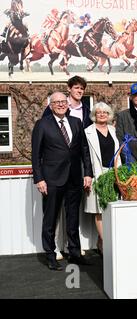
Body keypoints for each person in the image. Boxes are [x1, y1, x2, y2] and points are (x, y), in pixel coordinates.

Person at [32, 92, 93, 271]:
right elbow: (36, 155)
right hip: (51, 179)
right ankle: (50, 255)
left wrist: (87, 173)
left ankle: (74, 253)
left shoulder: (76, 122)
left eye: (63, 102)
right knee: (50, 218)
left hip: (74, 178)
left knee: (73, 218)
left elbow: (84, 149)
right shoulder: (42, 124)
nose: (60, 104)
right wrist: (39, 178)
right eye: (56, 102)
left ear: (67, 104)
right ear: (50, 105)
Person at [84, 102, 120, 256]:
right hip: (97, 173)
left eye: (105, 112)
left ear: (109, 115)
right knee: (99, 210)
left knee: (111, 208)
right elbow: (85, 156)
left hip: (112, 172)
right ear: (94, 115)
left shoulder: (113, 130)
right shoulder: (87, 132)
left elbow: (118, 152)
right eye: (99, 112)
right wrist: (88, 175)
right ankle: (106, 244)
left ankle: (101, 241)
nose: (102, 114)